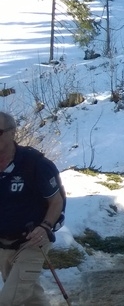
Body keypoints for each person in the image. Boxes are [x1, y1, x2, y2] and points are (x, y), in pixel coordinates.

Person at [0, 111, 65, 305]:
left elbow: (56, 201)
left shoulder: (34, 164)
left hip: (33, 241)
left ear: (12, 133)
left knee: (10, 299)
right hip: (4, 243)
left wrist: (45, 227)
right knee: (29, 297)